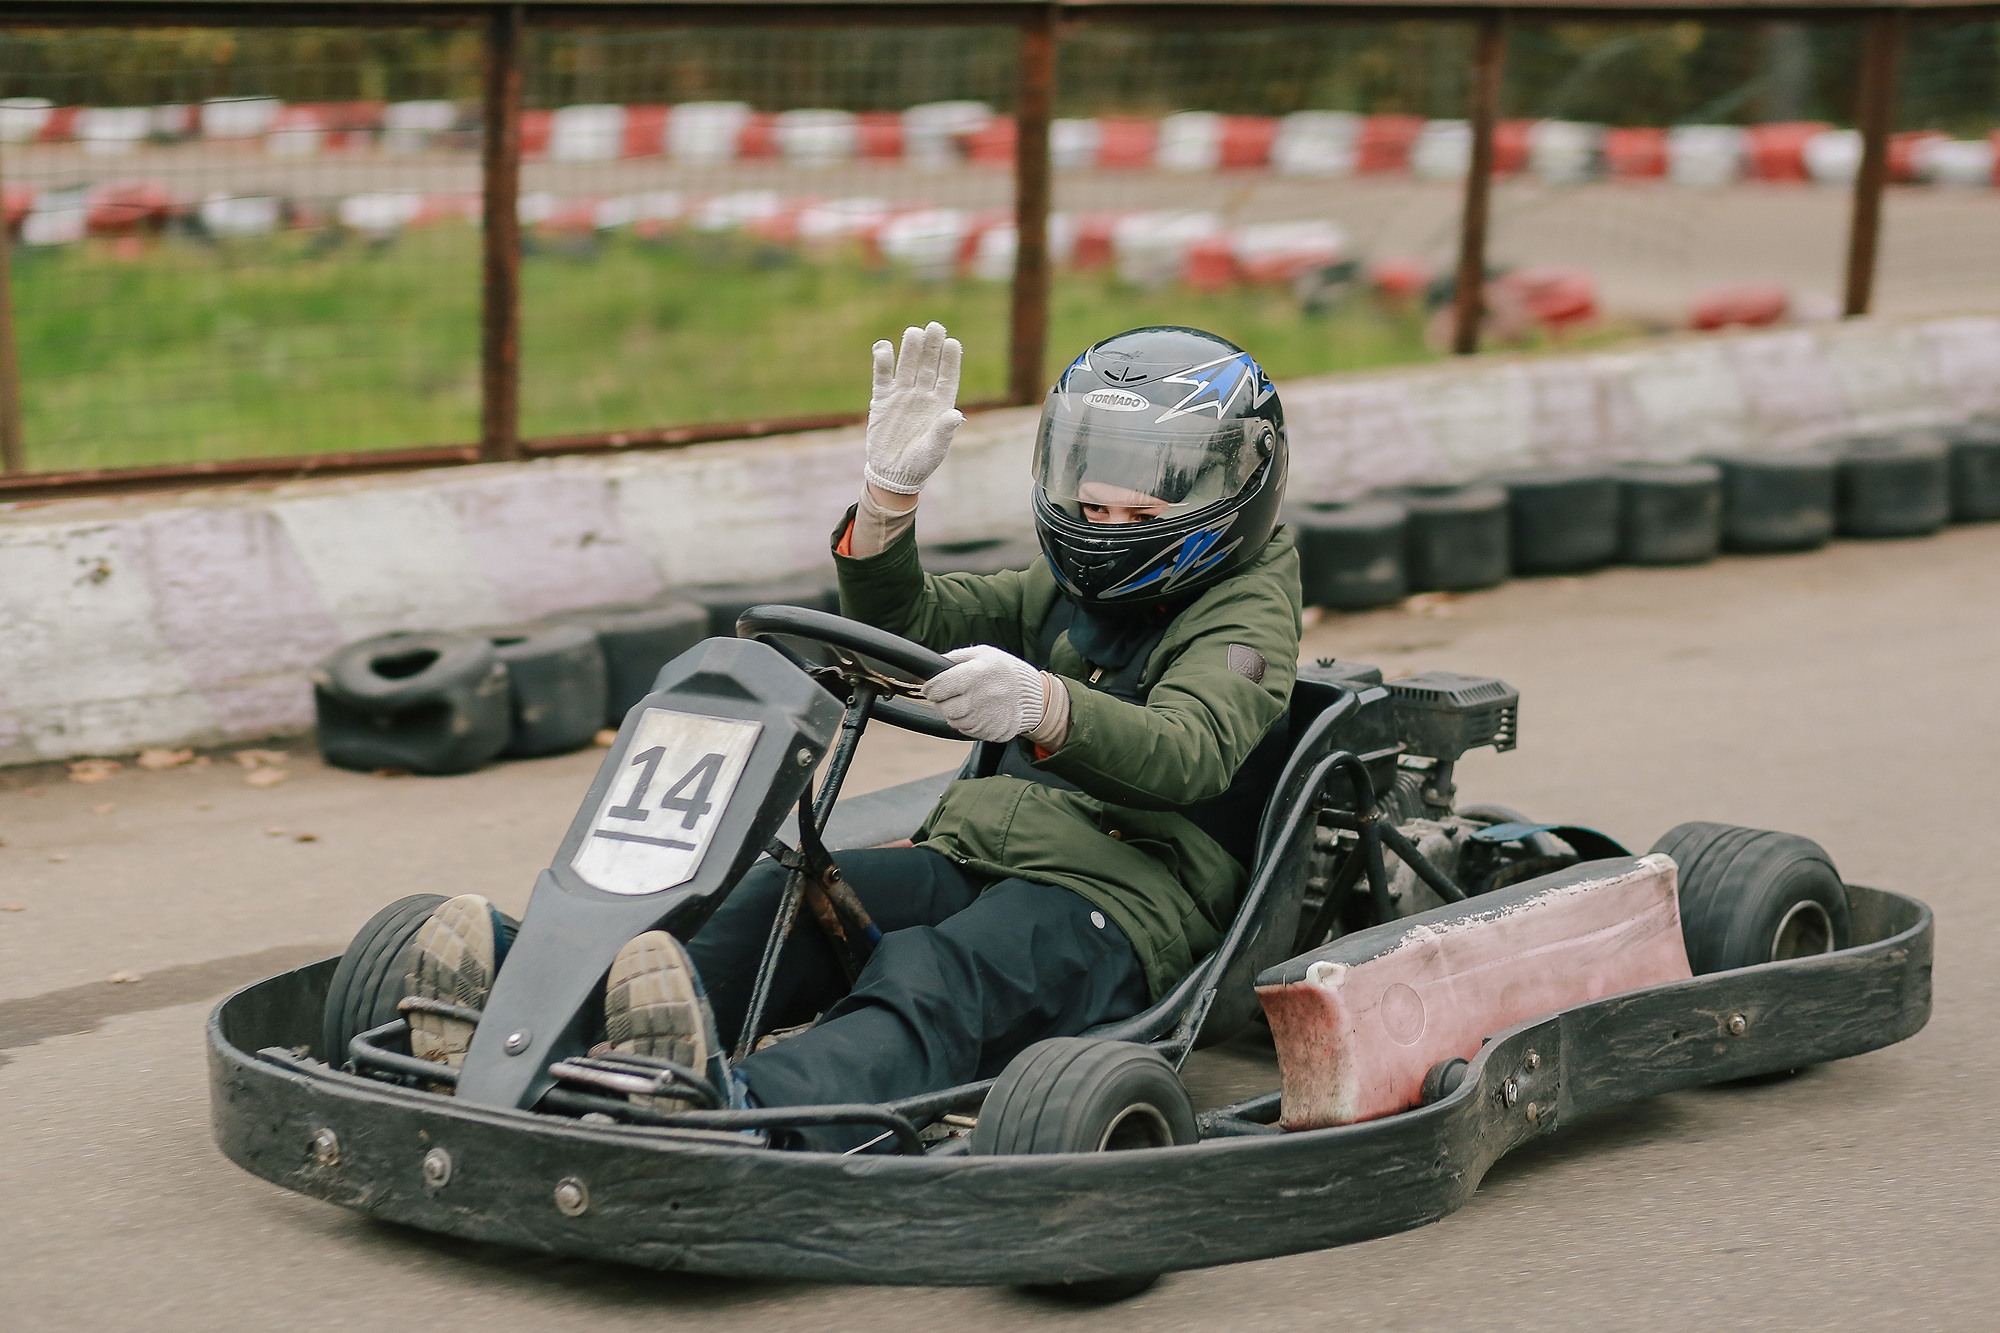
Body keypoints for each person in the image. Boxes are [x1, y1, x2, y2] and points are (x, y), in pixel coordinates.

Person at [404, 322, 1302, 1150]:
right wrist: (888, 498)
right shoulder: (1067, 589)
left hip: (1119, 903)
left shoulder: (1245, 615)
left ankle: (737, 1111)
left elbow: (1192, 749)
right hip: (974, 854)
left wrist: (1044, 705)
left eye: (1136, 517)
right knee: (778, 901)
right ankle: (525, 1034)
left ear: (1230, 487)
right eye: (1094, 506)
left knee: (938, 976)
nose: (1105, 530)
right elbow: (913, 617)